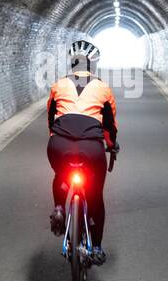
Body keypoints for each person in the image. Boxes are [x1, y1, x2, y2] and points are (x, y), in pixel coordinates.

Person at [47, 40, 118, 264]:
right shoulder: (103, 87)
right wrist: (112, 144)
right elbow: (109, 125)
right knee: (95, 195)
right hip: (91, 148)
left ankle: (59, 208)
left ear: (72, 64)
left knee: (61, 176)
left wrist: (56, 138)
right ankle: (96, 247)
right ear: (92, 65)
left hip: (59, 144)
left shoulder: (58, 85)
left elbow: (51, 118)